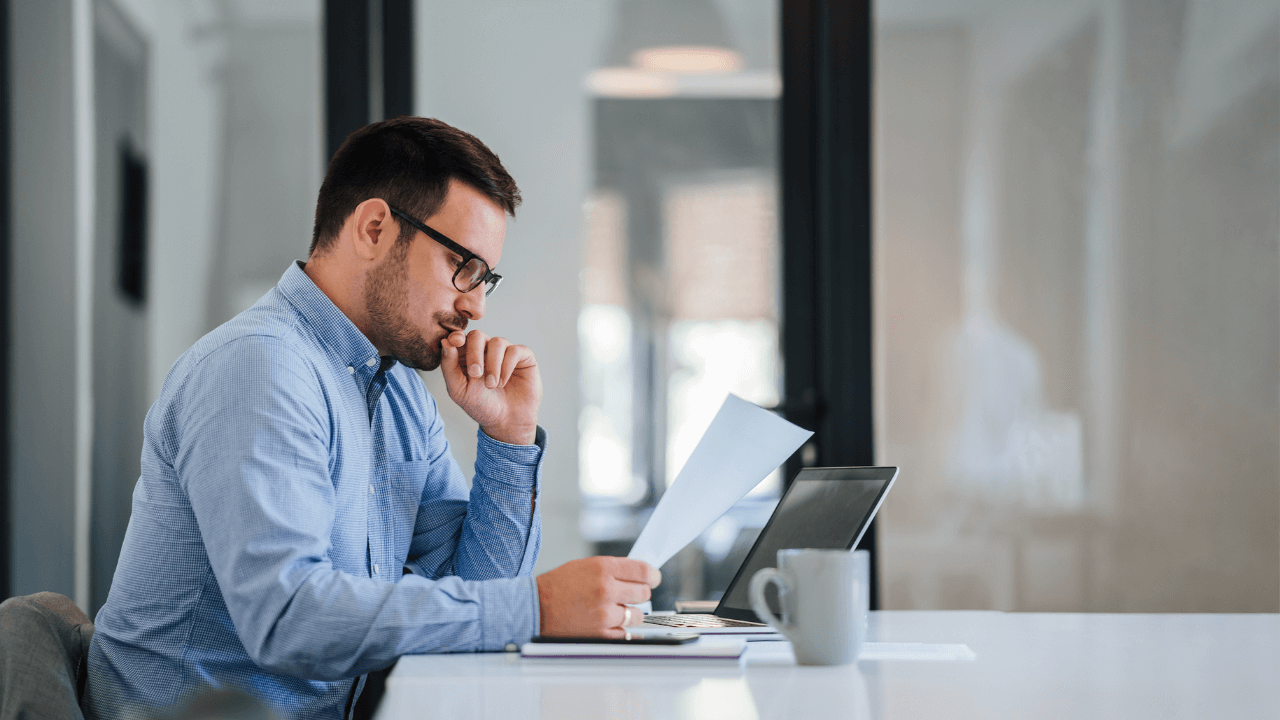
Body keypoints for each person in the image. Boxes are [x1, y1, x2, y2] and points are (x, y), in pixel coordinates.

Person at [84, 117, 661, 720]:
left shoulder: (401, 395)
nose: (476, 304)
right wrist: (536, 609)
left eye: (486, 277)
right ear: (375, 228)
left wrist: (508, 437)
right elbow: (288, 621)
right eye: (463, 266)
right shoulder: (261, 367)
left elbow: (475, 592)